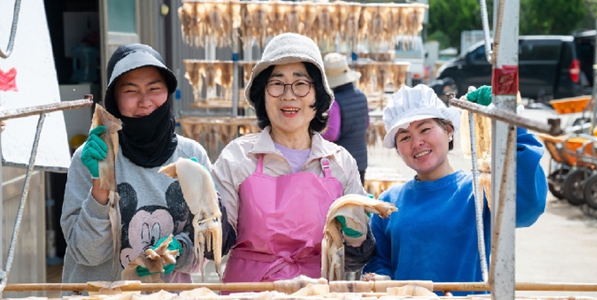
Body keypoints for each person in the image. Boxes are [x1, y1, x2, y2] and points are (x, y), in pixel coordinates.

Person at [60, 43, 231, 289]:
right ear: (114, 99)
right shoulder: (92, 158)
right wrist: (100, 187)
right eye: (131, 91)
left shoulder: (190, 156)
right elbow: (87, 255)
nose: (144, 101)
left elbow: (208, 244)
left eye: (154, 88)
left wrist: (179, 250)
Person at [211, 33, 375, 284]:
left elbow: (354, 260)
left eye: (301, 84)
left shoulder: (341, 162)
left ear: (317, 96)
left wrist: (357, 236)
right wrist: (206, 213)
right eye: (276, 84)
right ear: (262, 96)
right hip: (248, 291)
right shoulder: (236, 158)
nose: (289, 95)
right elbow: (216, 246)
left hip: (319, 291)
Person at [363, 85, 547, 295]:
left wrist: (511, 126)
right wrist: (379, 277)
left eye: (425, 129)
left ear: (449, 130)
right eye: (404, 137)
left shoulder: (478, 192)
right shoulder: (389, 202)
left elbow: (527, 207)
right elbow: (378, 261)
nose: (417, 143)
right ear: (398, 149)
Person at [321, 52, 370, 185]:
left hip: (342, 163)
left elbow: (332, 135)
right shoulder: (361, 96)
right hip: (361, 160)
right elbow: (366, 124)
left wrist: (314, 133)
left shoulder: (335, 103)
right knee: (357, 201)